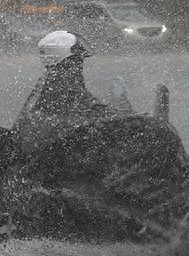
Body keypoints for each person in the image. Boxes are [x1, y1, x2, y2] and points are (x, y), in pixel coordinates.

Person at [12, 30, 115, 160]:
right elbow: (87, 105)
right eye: (77, 58)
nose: (80, 62)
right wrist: (118, 116)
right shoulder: (64, 79)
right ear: (65, 58)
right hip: (48, 150)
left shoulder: (51, 77)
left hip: (39, 142)